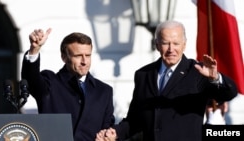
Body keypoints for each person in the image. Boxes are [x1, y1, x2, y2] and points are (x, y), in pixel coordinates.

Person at [95, 20, 237, 141]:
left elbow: (229, 93)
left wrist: (215, 78)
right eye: (165, 43)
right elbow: (136, 118)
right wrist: (116, 132)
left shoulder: (197, 72)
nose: (171, 49)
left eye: (176, 43)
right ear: (157, 45)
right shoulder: (143, 74)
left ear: (184, 45)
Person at [21, 28, 115, 141]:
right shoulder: (50, 83)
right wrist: (34, 50)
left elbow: (107, 128)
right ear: (64, 57)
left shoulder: (104, 91)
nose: (84, 61)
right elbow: (31, 80)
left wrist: (108, 137)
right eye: (78, 56)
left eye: (88, 55)